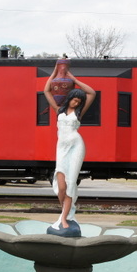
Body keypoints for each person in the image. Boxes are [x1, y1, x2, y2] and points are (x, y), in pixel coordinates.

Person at [42, 60, 96, 237]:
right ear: (69, 99)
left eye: (78, 101)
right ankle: (66, 211)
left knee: (71, 182)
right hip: (62, 148)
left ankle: (65, 218)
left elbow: (92, 92)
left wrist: (72, 77)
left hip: (76, 145)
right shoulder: (59, 110)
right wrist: (55, 72)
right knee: (61, 185)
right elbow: (47, 90)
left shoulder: (79, 113)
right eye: (74, 99)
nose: (76, 102)